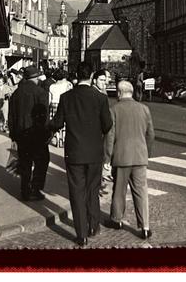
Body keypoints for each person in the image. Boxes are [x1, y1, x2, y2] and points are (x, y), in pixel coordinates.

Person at [50, 62, 112, 247]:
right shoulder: (100, 98)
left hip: (74, 152)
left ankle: (82, 234)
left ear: (76, 74)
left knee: (77, 191)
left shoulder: (67, 97)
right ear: (92, 76)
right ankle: (94, 225)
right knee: (93, 189)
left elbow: (58, 123)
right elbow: (107, 125)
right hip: (94, 152)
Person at [106, 81, 155, 239]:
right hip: (140, 156)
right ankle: (145, 227)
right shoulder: (144, 108)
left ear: (119, 93)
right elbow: (151, 134)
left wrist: (107, 157)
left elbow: (110, 136)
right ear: (132, 92)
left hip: (121, 157)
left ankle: (116, 219)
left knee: (119, 191)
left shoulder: (114, 109)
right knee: (141, 192)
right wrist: (146, 152)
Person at [8, 65, 50, 201]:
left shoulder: (16, 93)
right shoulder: (40, 92)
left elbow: (11, 116)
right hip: (37, 134)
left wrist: (13, 134)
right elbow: (44, 116)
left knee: (25, 162)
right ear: (36, 77)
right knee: (42, 161)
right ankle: (36, 189)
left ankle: (25, 190)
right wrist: (47, 134)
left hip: (21, 134)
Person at [48, 70, 72, 147]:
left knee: (56, 123)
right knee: (64, 123)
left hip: (54, 104)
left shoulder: (52, 86)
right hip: (65, 104)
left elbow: (49, 99)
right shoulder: (68, 84)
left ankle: (58, 140)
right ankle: (64, 139)